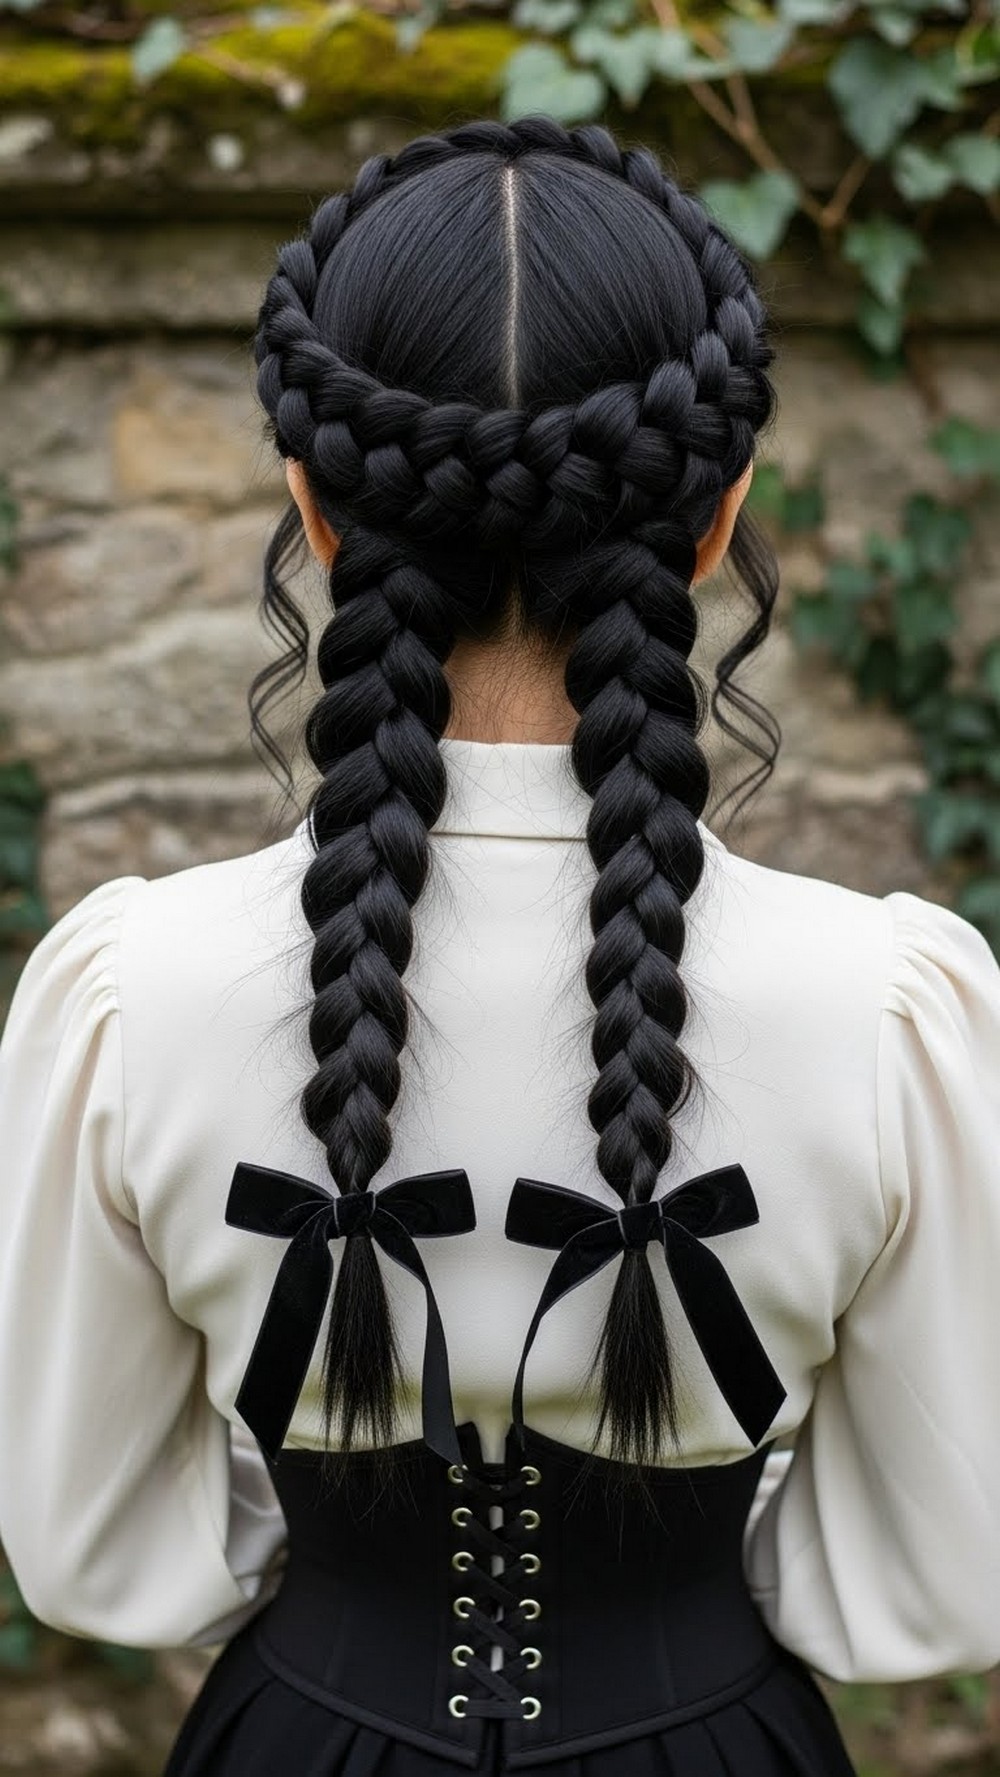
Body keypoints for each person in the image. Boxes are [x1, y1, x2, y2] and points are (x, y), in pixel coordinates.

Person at [0, 114, 998, 1777]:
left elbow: (101, 1543)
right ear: (718, 509)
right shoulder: (891, 1014)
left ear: (312, 505)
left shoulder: (129, 993)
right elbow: (937, 1568)